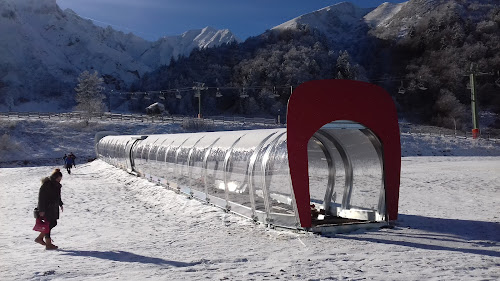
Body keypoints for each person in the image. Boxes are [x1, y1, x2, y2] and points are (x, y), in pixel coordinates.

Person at [35, 168, 64, 250]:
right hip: (47, 208)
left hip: (53, 208)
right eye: (58, 179)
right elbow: (41, 198)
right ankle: (48, 244)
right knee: (49, 224)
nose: (59, 181)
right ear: (55, 178)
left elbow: (57, 196)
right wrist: (41, 210)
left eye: (60, 179)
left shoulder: (56, 185)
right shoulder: (47, 184)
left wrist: (60, 204)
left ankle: (40, 238)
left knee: (53, 223)